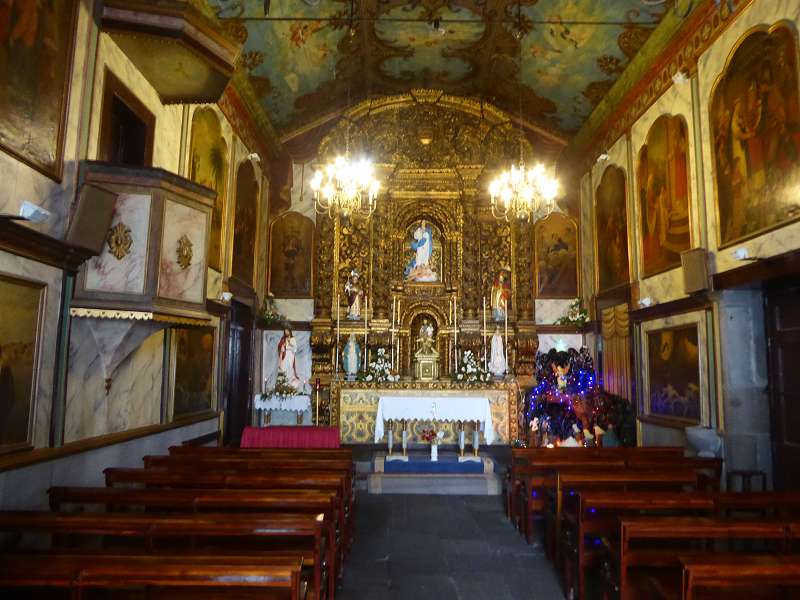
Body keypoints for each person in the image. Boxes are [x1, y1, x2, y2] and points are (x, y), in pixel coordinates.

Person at [277, 327, 302, 391]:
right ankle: (284, 383)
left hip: (290, 354)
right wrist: (282, 346)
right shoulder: (283, 339)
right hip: (285, 354)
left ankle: (290, 382)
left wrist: (289, 343)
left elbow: (295, 349)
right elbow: (279, 347)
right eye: (285, 331)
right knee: (283, 367)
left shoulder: (293, 339)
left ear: (290, 331)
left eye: (287, 331)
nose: (286, 333)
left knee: (289, 367)